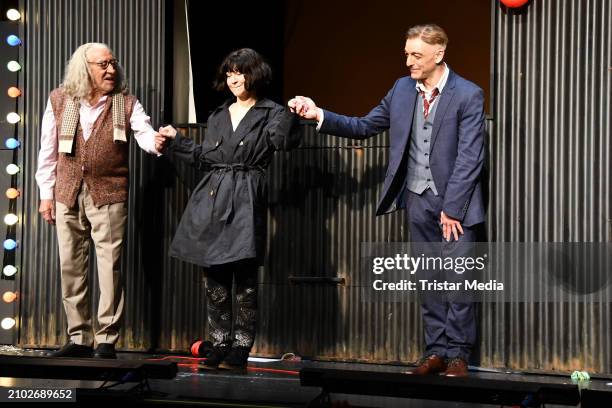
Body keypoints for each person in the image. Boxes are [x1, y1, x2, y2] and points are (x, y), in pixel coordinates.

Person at [289, 24, 485, 377]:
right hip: (417, 199)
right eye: (407, 54)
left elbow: (471, 157)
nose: (408, 61)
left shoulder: (468, 94)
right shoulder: (402, 90)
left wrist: (453, 209)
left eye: (416, 55)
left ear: (438, 54)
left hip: (456, 204)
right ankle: (436, 351)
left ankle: (458, 354)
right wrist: (318, 114)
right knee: (429, 280)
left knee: (457, 282)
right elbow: (364, 125)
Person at [158, 48, 301, 371]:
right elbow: (206, 158)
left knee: (245, 279)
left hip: (246, 195)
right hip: (212, 195)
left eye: (241, 71)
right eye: (229, 73)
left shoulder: (271, 112)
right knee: (214, 279)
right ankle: (220, 341)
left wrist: (293, 113)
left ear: (256, 74)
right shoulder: (220, 114)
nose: (234, 78)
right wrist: (176, 140)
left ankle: (241, 346)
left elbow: (283, 142)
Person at [36, 43, 165, 359]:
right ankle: (79, 337)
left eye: (113, 63)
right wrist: (45, 195)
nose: (111, 69)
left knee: (110, 267)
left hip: (108, 194)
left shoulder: (126, 103)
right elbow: (47, 151)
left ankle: (106, 337)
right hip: (67, 193)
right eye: (103, 64)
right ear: (85, 67)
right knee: (71, 266)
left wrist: (157, 142)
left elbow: (144, 133)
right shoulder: (59, 100)